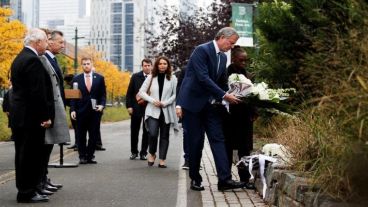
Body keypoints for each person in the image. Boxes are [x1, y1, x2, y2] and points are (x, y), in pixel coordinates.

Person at [176, 27, 245, 191]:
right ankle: (195, 179)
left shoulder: (222, 57)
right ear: (221, 37)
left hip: (211, 106)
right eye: (231, 43)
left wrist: (235, 92)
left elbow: (221, 81)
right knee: (196, 142)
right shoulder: (201, 50)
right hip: (192, 105)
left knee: (218, 139)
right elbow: (203, 78)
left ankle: (224, 180)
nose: (232, 47)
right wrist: (224, 95)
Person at [10, 28, 54, 203]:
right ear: (37, 42)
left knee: (22, 155)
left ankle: (28, 189)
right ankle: (27, 192)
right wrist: (45, 116)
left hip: (21, 116)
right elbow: (37, 92)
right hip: (31, 117)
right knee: (29, 156)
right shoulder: (32, 61)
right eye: (45, 41)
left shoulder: (19, 58)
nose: (46, 44)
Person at [39, 29, 70, 193]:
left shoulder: (53, 60)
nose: (63, 45)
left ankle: (44, 179)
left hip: (56, 109)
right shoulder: (43, 59)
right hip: (48, 111)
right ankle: (41, 181)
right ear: (49, 42)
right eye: (60, 42)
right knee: (44, 148)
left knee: (48, 147)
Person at [223, 46, 256, 189]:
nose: (244, 63)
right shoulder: (224, 74)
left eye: (245, 60)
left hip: (245, 117)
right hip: (229, 117)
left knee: (245, 149)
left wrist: (254, 111)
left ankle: (245, 178)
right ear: (233, 59)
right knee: (227, 148)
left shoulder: (248, 75)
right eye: (241, 60)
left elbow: (253, 95)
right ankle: (226, 178)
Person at [138, 56, 178, 168]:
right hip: (152, 110)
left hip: (166, 111)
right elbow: (141, 92)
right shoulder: (151, 77)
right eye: (160, 63)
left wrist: (165, 103)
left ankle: (162, 159)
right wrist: (152, 100)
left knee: (165, 136)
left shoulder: (173, 78)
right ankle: (152, 153)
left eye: (165, 63)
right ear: (157, 65)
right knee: (153, 134)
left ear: (168, 65)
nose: (162, 65)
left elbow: (175, 94)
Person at [70, 57, 106, 164]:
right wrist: (73, 110)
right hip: (81, 111)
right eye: (84, 64)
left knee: (93, 135)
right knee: (81, 135)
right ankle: (82, 156)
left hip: (95, 112)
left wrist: (102, 105)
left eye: (88, 63)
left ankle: (90, 156)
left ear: (92, 64)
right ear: (82, 65)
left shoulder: (99, 78)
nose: (86, 65)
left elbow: (103, 95)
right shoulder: (76, 79)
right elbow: (73, 96)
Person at [126, 58, 152, 160]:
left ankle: (143, 153)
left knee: (147, 131)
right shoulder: (135, 76)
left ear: (151, 66)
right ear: (142, 67)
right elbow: (129, 93)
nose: (147, 67)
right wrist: (129, 106)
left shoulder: (153, 78)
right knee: (134, 131)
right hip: (136, 107)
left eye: (148, 65)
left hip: (149, 108)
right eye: (145, 65)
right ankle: (134, 152)